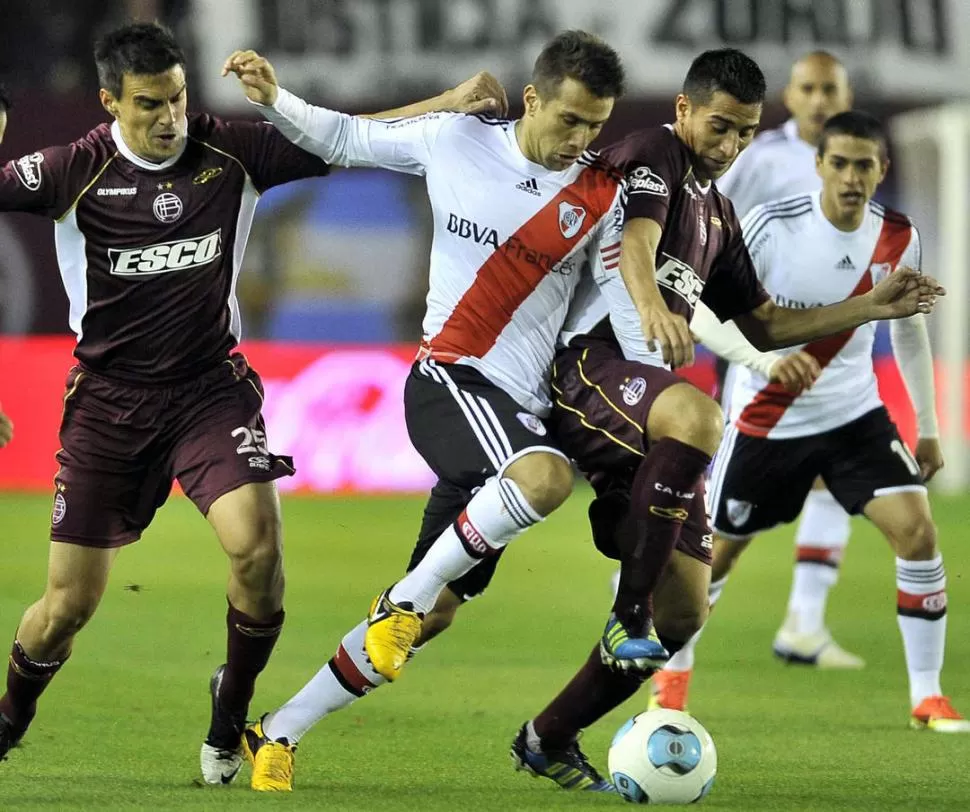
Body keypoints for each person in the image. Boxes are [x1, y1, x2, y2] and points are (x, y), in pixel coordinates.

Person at [0, 21, 511, 781]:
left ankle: (230, 710)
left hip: (210, 392)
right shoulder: (71, 170)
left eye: (176, 98)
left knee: (258, 554)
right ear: (110, 101)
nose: (169, 117)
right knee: (64, 610)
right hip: (107, 407)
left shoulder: (228, 151)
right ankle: (11, 720)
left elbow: (348, 139)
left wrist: (452, 101)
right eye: (148, 105)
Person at [510, 54, 946, 792]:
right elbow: (640, 241)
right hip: (584, 362)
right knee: (698, 415)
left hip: (647, 397)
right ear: (683, 110)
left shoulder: (719, 214)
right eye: (719, 127)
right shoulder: (654, 154)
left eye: (745, 134)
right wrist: (650, 306)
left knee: (686, 609)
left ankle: (548, 734)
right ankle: (627, 610)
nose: (729, 146)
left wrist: (873, 307)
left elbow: (769, 324)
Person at [221, 30, 630, 792]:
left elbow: (606, 306)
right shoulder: (457, 141)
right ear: (533, 99)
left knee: (432, 613)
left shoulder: (602, 195)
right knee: (543, 480)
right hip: (449, 382)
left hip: (516, 415)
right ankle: (400, 604)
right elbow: (344, 137)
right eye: (569, 120)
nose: (580, 140)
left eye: (596, 127)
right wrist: (275, 97)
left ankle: (278, 730)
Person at [661, 111, 968, 732]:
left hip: (855, 415)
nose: (852, 177)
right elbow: (702, 312)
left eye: (865, 164)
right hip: (766, 421)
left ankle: (927, 697)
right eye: (840, 163)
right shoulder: (772, 228)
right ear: (819, 165)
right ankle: (672, 679)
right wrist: (762, 358)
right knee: (714, 557)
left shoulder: (898, 237)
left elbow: (908, 329)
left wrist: (929, 425)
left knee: (918, 534)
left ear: (883, 169)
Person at [675, 50, 863, 679]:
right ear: (789, 94)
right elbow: (706, 218)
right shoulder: (757, 156)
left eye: (829, 89)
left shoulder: (854, 163)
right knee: (733, 510)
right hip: (760, 345)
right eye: (808, 88)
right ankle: (674, 640)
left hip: (829, 354)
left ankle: (805, 623)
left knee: (832, 476)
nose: (819, 100)